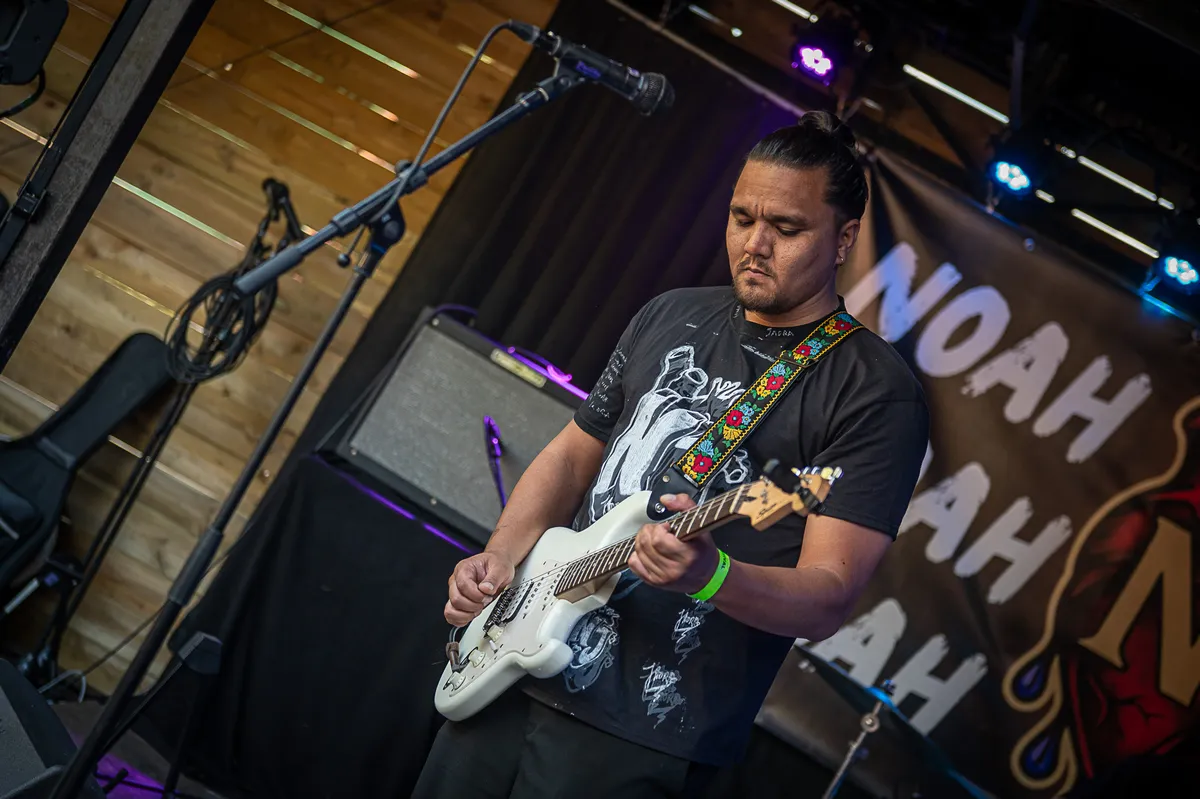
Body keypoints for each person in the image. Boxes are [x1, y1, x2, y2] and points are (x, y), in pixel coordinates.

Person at [411, 111, 929, 798]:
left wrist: (711, 576)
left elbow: (827, 598)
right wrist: (501, 556)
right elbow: (570, 458)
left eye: (786, 228)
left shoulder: (875, 391)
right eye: (742, 218)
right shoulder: (670, 313)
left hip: (642, 731)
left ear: (845, 238)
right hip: (507, 667)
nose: (755, 244)